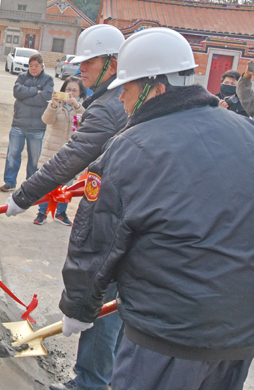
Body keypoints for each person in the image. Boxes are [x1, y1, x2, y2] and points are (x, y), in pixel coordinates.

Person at [59, 27, 254, 390]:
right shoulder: (247, 132)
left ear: (156, 87)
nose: (121, 101)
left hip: (168, 335)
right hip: (240, 336)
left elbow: (96, 242)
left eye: (127, 90)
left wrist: (78, 309)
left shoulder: (131, 148)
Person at [3, 24, 128, 390]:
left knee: (102, 301)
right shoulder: (114, 99)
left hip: (118, 220)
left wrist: (21, 197)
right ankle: (108, 379)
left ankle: (89, 382)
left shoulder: (109, 106)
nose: (80, 70)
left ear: (112, 63)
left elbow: (70, 157)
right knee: (117, 308)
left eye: (89, 63)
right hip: (128, 214)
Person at [33, 77, 86, 226]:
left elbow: (86, 123)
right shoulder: (56, 104)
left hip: (72, 152)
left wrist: (77, 106)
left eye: (74, 90)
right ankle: (42, 213)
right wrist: (53, 106)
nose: (71, 93)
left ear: (80, 92)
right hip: (53, 150)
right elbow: (46, 120)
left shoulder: (81, 107)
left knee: (67, 185)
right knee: (47, 182)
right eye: (68, 89)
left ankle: (61, 213)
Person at [0, 53, 53, 192]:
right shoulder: (22, 77)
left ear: (42, 66)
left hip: (37, 127)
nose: (33, 68)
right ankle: (10, 182)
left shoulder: (48, 80)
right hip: (18, 123)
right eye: (31, 66)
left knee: (34, 158)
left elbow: (44, 98)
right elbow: (17, 92)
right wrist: (36, 91)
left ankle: (30, 185)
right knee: (13, 154)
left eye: (36, 66)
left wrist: (25, 97)